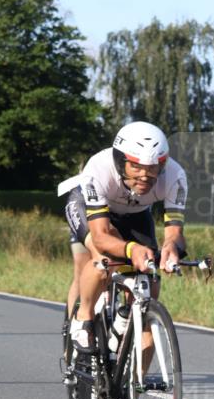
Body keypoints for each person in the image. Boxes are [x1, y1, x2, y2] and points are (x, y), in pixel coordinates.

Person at [60, 121, 188, 362]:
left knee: (148, 276)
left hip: (136, 214)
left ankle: (128, 317)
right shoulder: (99, 167)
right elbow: (101, 235)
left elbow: (174, 232)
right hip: (90, 209)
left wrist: (171, 247)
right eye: (136, 166)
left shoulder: (175, 176)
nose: (145, 175)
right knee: (103, 261)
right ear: (120, 161)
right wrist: (131, 249)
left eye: (153, 167)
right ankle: (82, 319)